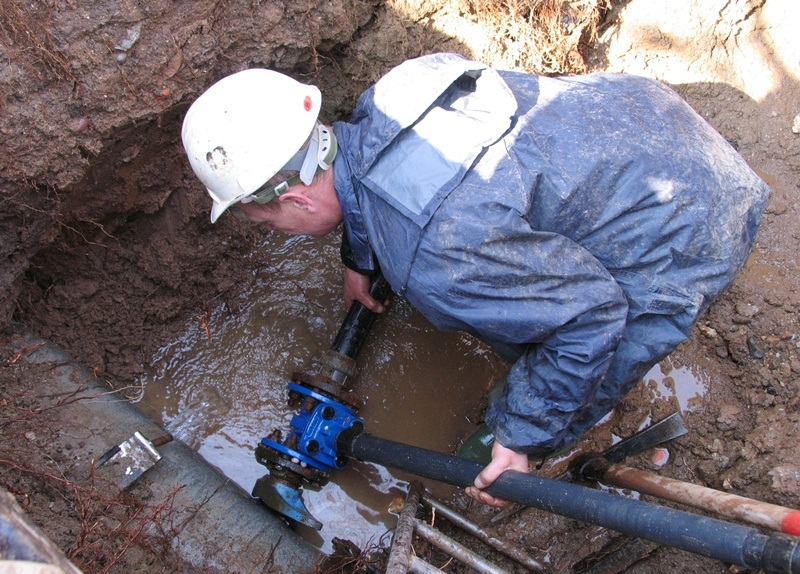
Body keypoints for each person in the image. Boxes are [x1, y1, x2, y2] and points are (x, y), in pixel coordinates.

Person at [181, 53, 769, 508]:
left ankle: (525, 438)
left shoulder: (436, 259)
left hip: (695, 222)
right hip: (644, 121)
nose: (270, 231)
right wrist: (360, 255)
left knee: (573, 360)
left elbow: (594, 316)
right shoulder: (393, 94)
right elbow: (375, 185)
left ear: (296, 196)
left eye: (263, 218)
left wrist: (519, 435)